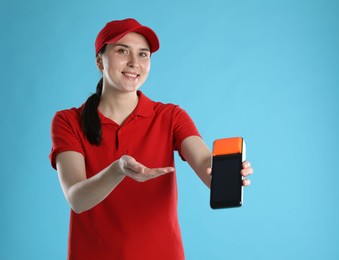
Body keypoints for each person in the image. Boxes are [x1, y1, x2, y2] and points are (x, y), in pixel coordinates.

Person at [49, 18, 253, 260]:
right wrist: (118, 170)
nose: (134, 63)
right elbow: (77, 199)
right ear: (99, 61)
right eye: (122, 50)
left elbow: (203, 162)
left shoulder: (171, 116)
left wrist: (225, 173)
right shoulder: (68, 121)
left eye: (143, 54)